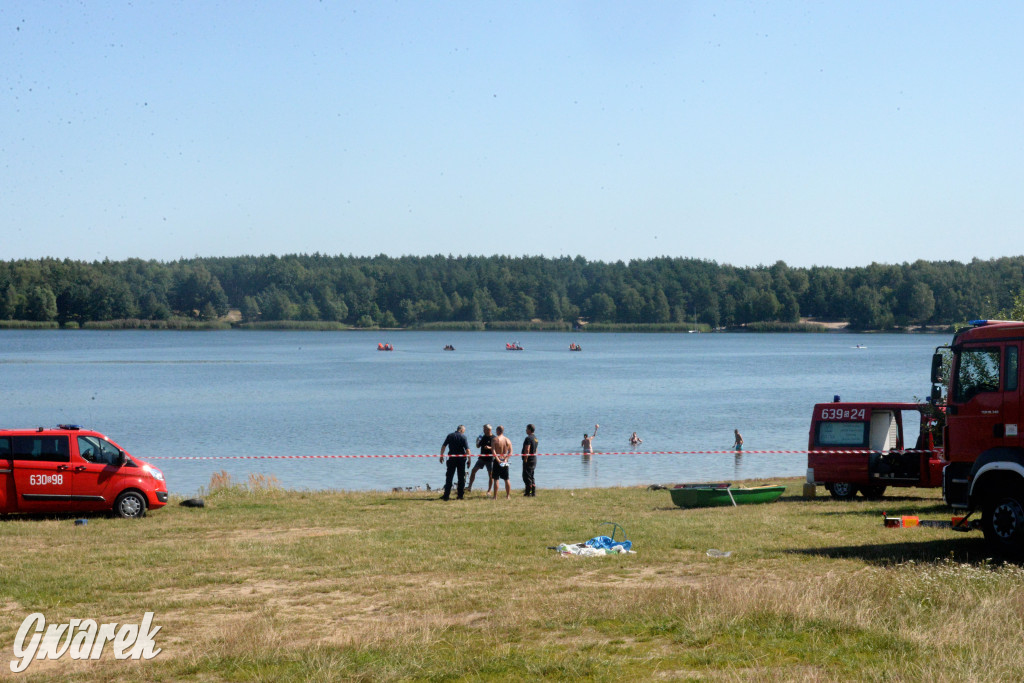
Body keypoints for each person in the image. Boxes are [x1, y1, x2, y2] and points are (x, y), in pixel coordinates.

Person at [439, 425, 470, 500]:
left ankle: (446, 495)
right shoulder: (463, 437)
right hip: (461, 460)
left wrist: (441, 456)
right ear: (462, 430)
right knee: (461, 478)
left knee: (449, 477)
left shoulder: (450, 436)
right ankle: (460, 495)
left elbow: (443, 446)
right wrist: (469, 460)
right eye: (464, 430)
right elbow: (467, 450)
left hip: (452, 459)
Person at [467, 424, 495, 494]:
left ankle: (489, 490)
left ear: (489, 430)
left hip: (490, 459)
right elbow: (478, 446)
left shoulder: (494, 438)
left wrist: (489, 448)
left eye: (484, 429)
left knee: (491, 475)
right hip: (482, 458)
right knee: (473, 470)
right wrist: (477, 441)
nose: (483, 430)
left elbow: (497, 448)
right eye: (483, 429)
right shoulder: (483, 437)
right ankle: (469, 487)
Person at [490, 425, 513, 499]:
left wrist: (497, 459)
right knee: (506, 479)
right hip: (505, 460)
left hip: (498, 460)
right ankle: (508, 496)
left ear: (498, 431)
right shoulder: (507, 440)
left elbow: (493, 451)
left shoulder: (495, 439)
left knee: (496, 479)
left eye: (496, 430)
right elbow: (511, 451)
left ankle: (495, 496)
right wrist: (506, 459)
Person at [521, 423, 538, 497]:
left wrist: (525, 459)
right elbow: (536, 450)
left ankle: (528, 492)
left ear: (530, 430)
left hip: (529, 460)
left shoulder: (528, 438)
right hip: (534, 459)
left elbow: (527, 449)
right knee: (531, 475)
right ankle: (533, 492)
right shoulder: (535, 438)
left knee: (526, 476)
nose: (526, 430)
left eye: (527, 429)